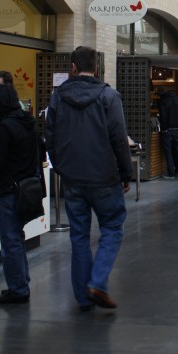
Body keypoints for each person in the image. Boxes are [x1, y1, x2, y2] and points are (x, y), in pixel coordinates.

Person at [45, 45, 133, 311]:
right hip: (104, 177)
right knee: (112, 227)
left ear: (72, 67)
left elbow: (50, 136)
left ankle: (84, 297)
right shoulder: (108, 95)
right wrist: (126, 172)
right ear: (96, 68)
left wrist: (61, 166)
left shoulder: (58, 97)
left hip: (73, 179)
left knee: (79, 236)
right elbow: (119, 137)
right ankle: (97, 282)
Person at [0, 83, 44, 304]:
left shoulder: (5, 127)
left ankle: (18, 288)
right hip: (27, 188)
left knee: (11, 240)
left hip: (9, 191)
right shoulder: (28, 122)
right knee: (17, 238)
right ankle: (20, 283)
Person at [158, 89, 178, 179]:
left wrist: (163, 128)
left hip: (167, 129)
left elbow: (163, 115)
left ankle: (171, 173)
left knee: (168, 152)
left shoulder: (163, 100)